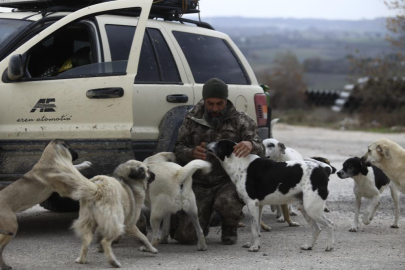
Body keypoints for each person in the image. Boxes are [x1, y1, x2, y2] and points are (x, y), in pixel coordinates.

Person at [170, 78, 265, 245]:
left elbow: (261, 148)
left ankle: (230, 226)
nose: (215, 108)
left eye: (220, 104)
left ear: (226, 100)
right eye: (210, 104)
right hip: (199, 183)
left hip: (229, 182)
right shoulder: (191, 119)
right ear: (204, 100)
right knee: (184, 236)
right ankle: (203, 222)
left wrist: (251, 145)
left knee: (227, 202)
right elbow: (178, 149)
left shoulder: (241, 120)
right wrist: (191, 153)